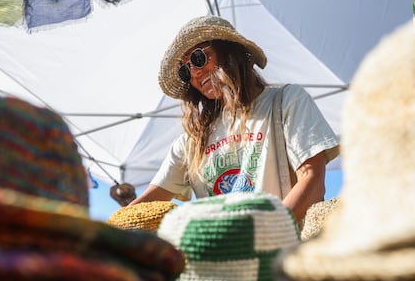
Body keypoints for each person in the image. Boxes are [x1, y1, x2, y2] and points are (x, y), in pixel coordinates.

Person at [129, 15, 340, 223]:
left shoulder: (286, 100)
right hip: (222, 254)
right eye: (185, 71)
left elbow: (313, 180)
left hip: (284, 251)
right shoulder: (191, 141)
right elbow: (147, 205)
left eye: (198, 58)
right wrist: (106, 230)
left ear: (230, 53)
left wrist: (264, 232)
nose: (194, 73)